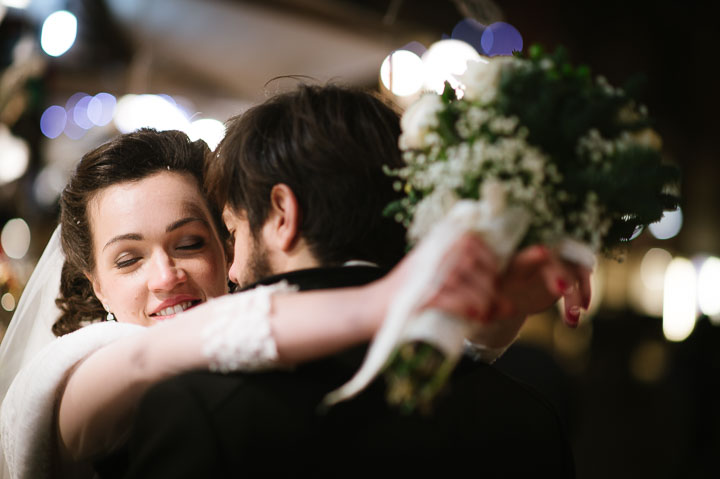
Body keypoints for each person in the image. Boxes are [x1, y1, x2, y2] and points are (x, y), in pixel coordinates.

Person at [120, 85, 591, 477]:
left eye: (234, 231)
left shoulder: (198, 408)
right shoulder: (525, 415)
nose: (234, 270)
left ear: (282, 214)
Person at [0, 128, 502, 479]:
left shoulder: (273, 353)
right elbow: (148, 357)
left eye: (189, 243)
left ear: (227, 246)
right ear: (96, 284)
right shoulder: (77, 375)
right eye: (129, 259)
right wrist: (386, 298)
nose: (166, 276)